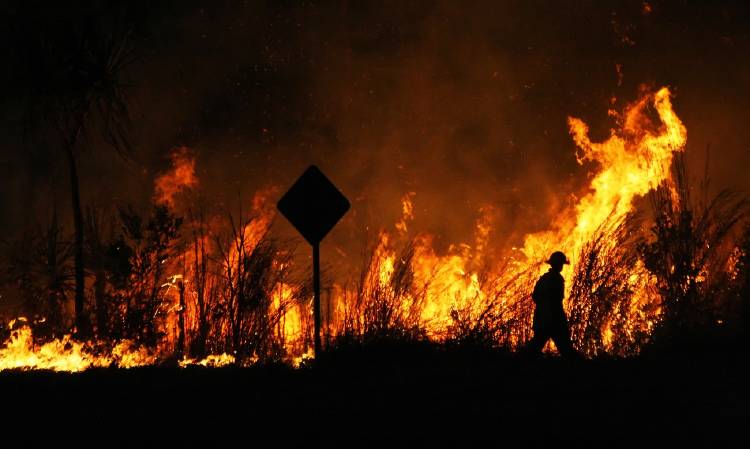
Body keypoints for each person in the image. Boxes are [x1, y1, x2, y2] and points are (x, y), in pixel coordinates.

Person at [526, 251, 578, 358]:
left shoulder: (543, 279)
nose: (562, 267)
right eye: (561, 264)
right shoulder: (557, 279)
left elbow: (535, 297)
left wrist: (543, 309)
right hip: (554, 320)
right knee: (566, 348)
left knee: (534, 346)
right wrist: (560, 319)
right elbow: (557, 301)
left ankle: (518, 363)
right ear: (558, 265)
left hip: (541, 318)